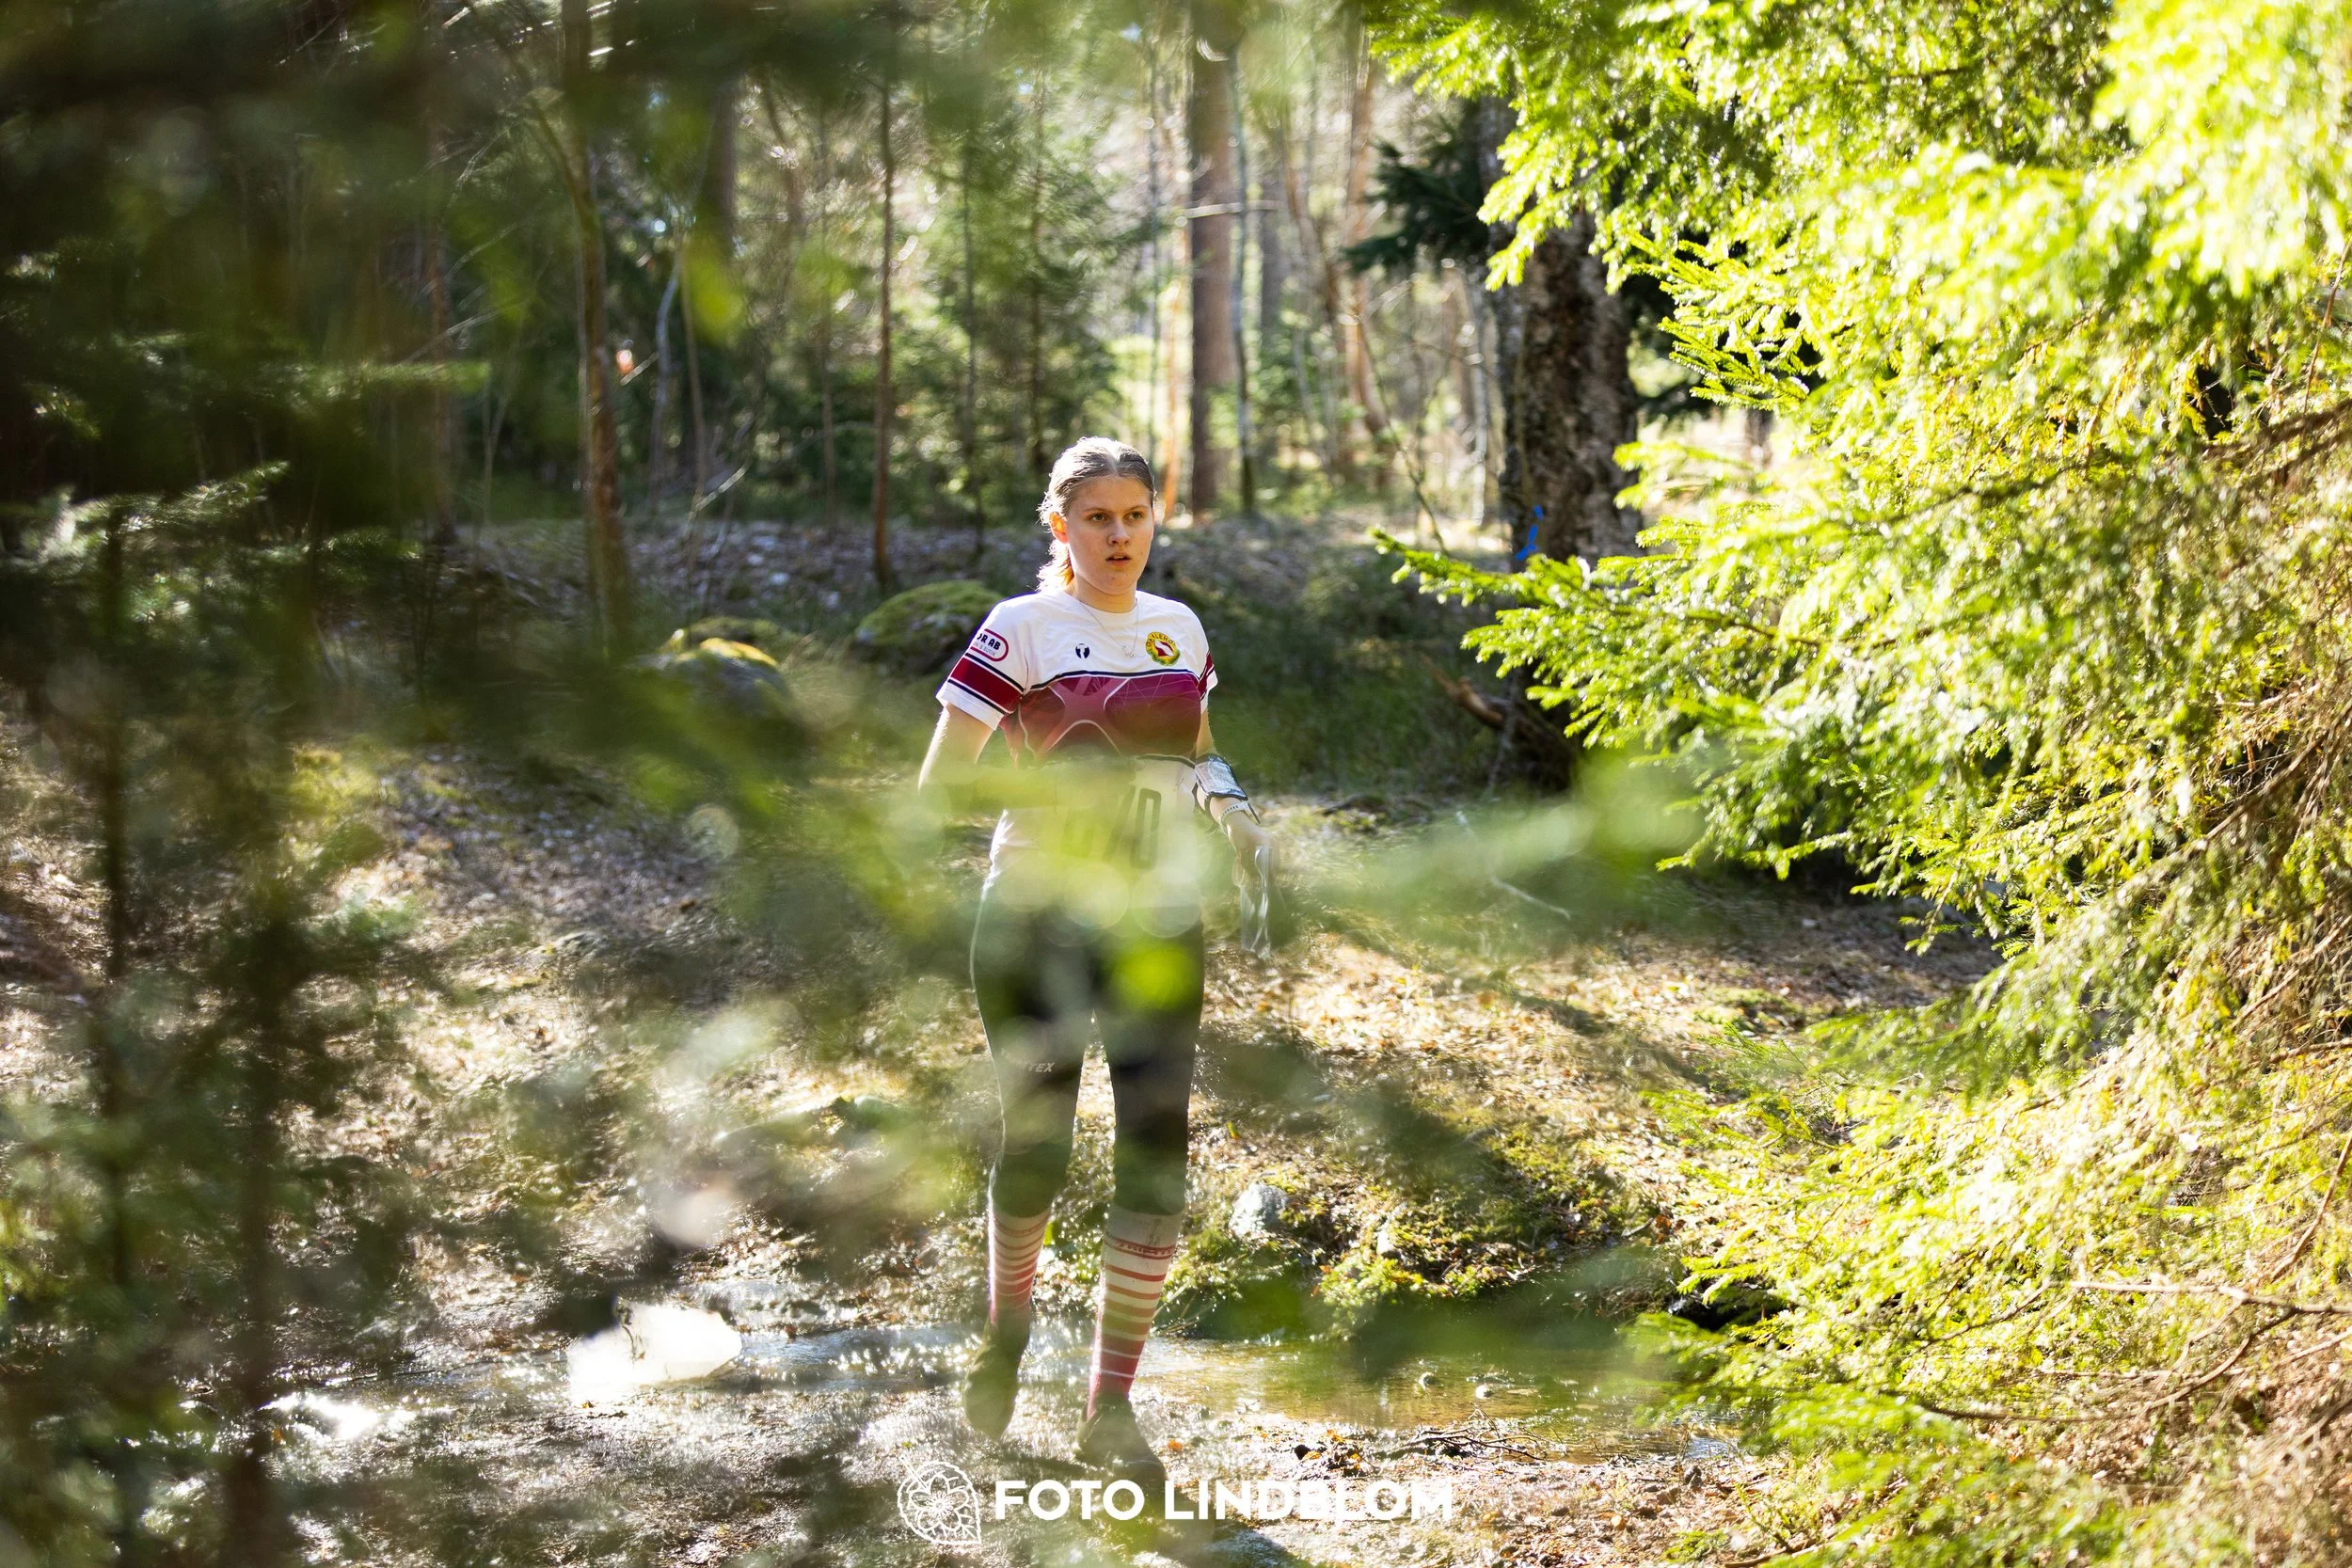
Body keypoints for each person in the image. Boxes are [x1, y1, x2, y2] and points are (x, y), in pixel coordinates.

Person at [914, 436, 1274, 1485]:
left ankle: (1110, 1404)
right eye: (1098, 517)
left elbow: (1196, 747)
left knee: (1157, 1153)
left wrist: (1236, 812)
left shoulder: (1178, 628)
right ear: (1059, 526)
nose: (1119, 535)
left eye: (1135, 515)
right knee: (1037, 1148)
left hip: (1157, 918)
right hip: (1035, 916)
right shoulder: (1019, 628)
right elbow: (942, 787)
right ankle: (1007, 1330)